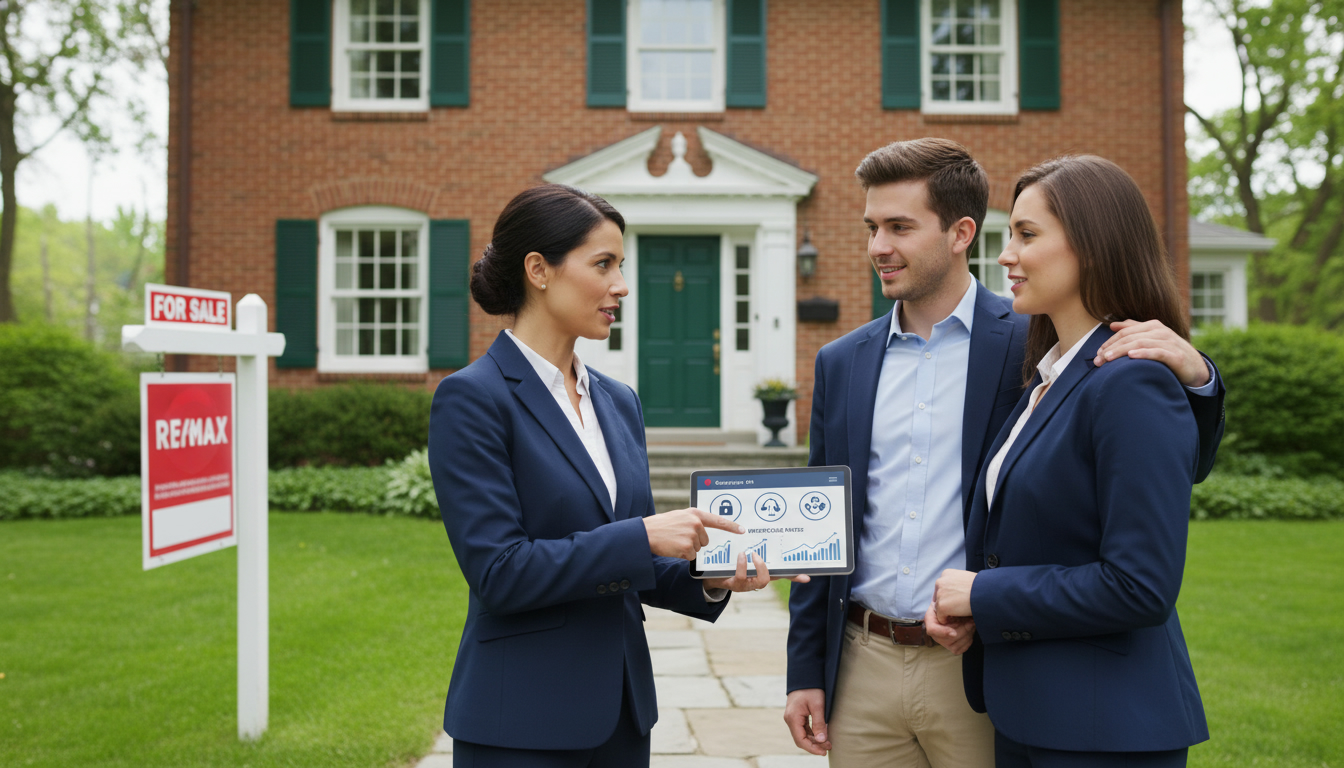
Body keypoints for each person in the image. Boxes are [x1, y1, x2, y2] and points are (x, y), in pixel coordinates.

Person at [783, 139, 1226, 767]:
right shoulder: (842, 362)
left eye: (900, 226)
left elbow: (1161, 466)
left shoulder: (1035, 342)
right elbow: (824, 530)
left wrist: (1198, 377)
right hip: (864, 662)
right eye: (872, 227)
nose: (878, 245)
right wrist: (807, 667)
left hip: (982, 667)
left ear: (960, 232)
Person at [428, 184, 798, 767]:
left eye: (620, 266)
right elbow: (500, 573)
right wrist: (643, 535)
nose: (621, 286)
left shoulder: (618, 401)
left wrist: (712, 577)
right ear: (538, 270)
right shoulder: (472, 399)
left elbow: (637, 568)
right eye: (603, 265)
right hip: (520, 724)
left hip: (623, 718)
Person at [929, 155, 1211, 767]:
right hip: (1032, 716)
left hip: (1105, 730)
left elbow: (1139, 586)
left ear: (1094, 245)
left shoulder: (1131, 382)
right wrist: (982, 615)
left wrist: (985, 594)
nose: (1006, 256)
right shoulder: (1047, 381)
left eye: (1027, 235)